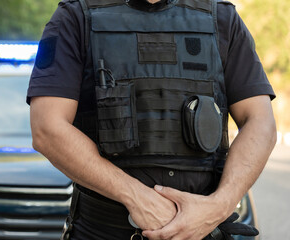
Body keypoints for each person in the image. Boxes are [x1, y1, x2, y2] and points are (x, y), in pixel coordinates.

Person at [27, 0, 277, 239]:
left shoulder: (222, 19)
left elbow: (260, 121)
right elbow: (47, 128)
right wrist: (135, 197)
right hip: (103, 230)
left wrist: (219, 206)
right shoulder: (74, 16)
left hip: (203, 230)